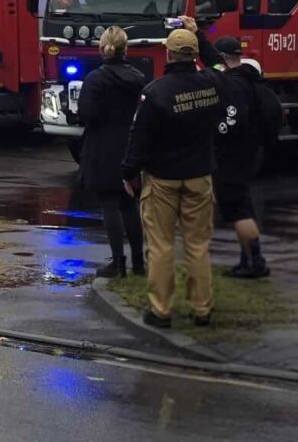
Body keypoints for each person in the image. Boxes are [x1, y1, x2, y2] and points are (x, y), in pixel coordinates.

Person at [121, 27, 224, 328]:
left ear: (168, 53)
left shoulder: (155, 92)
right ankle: (202, 309)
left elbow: (139, 138)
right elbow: (219, 64)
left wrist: (129, 172)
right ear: (194, 56)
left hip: (163, 178)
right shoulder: (213, 83)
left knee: (161, 245)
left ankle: (161, 310)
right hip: (200, 175)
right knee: (198, 245)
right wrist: (201, 35)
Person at [76, 26, 149, 278]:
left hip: (102, 147)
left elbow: (86, 114)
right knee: (130, 205)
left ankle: (118, 263)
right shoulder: (138, 77)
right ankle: (139, 263)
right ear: (125, 49)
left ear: (101, 49)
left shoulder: (95, 79)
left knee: (109, 204)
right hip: (129, 144)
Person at [208, 36, 279, 278]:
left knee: (239, 213)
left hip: (232, 157)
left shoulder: (234, 85)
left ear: (224, 60)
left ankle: (255, 262)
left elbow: (231, 122)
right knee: (244, 207)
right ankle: (247, 259)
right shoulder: (250, 80)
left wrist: (217, 133)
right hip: (247, 154)